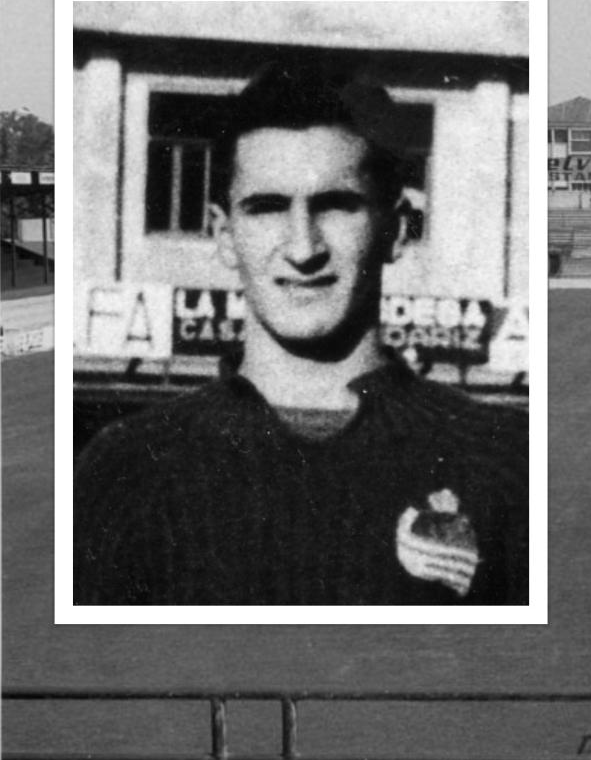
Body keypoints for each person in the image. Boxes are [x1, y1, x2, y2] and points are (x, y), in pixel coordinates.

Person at [73, 62, 528, 606]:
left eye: (336, 206)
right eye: (266, 208)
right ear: (224, 235)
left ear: (396, 230)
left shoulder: (506, 458)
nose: (303, 248)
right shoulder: (128, 465)